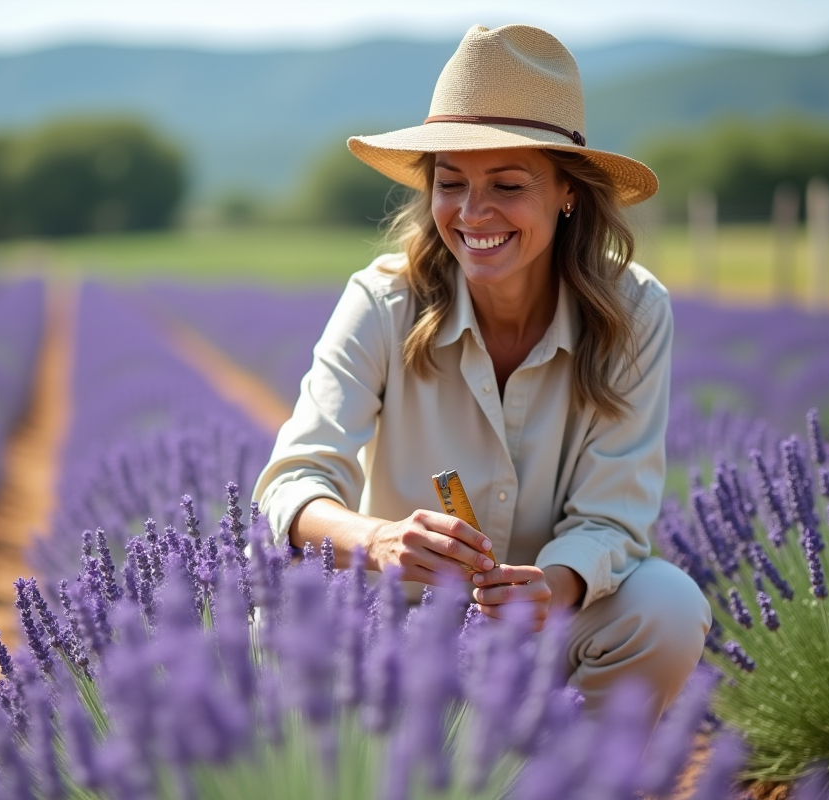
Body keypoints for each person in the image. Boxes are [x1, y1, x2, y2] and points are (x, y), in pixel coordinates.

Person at [252, 23, 710, 721]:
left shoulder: (635, 312)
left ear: (568, 193)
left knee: (668, 607)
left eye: (507, 183)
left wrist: (549, 588)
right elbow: (293, 484)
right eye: (451, 183)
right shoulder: (383, 301)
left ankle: (559, 778)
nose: (472, 213)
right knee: (278, 602)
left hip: (541, 626)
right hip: (391, 622)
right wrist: (375, 541)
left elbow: (613, 518)